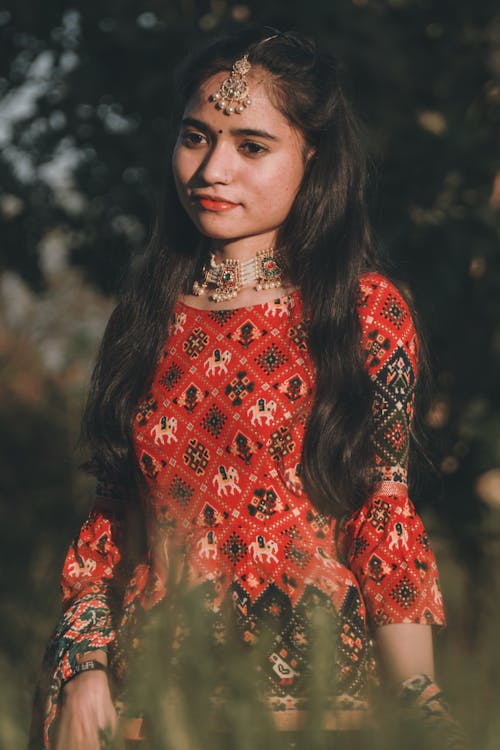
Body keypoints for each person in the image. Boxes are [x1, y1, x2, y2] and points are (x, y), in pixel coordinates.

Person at [30, 27, 463, 750]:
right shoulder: (145, 318)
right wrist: (82, 667)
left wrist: (421, 699)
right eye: (196, 137)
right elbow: (110, 519)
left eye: (252, 146)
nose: (212, 169)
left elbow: (380, 514)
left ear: (311, 158)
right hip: (151, 713)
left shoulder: (363, 314)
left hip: (320, 716)